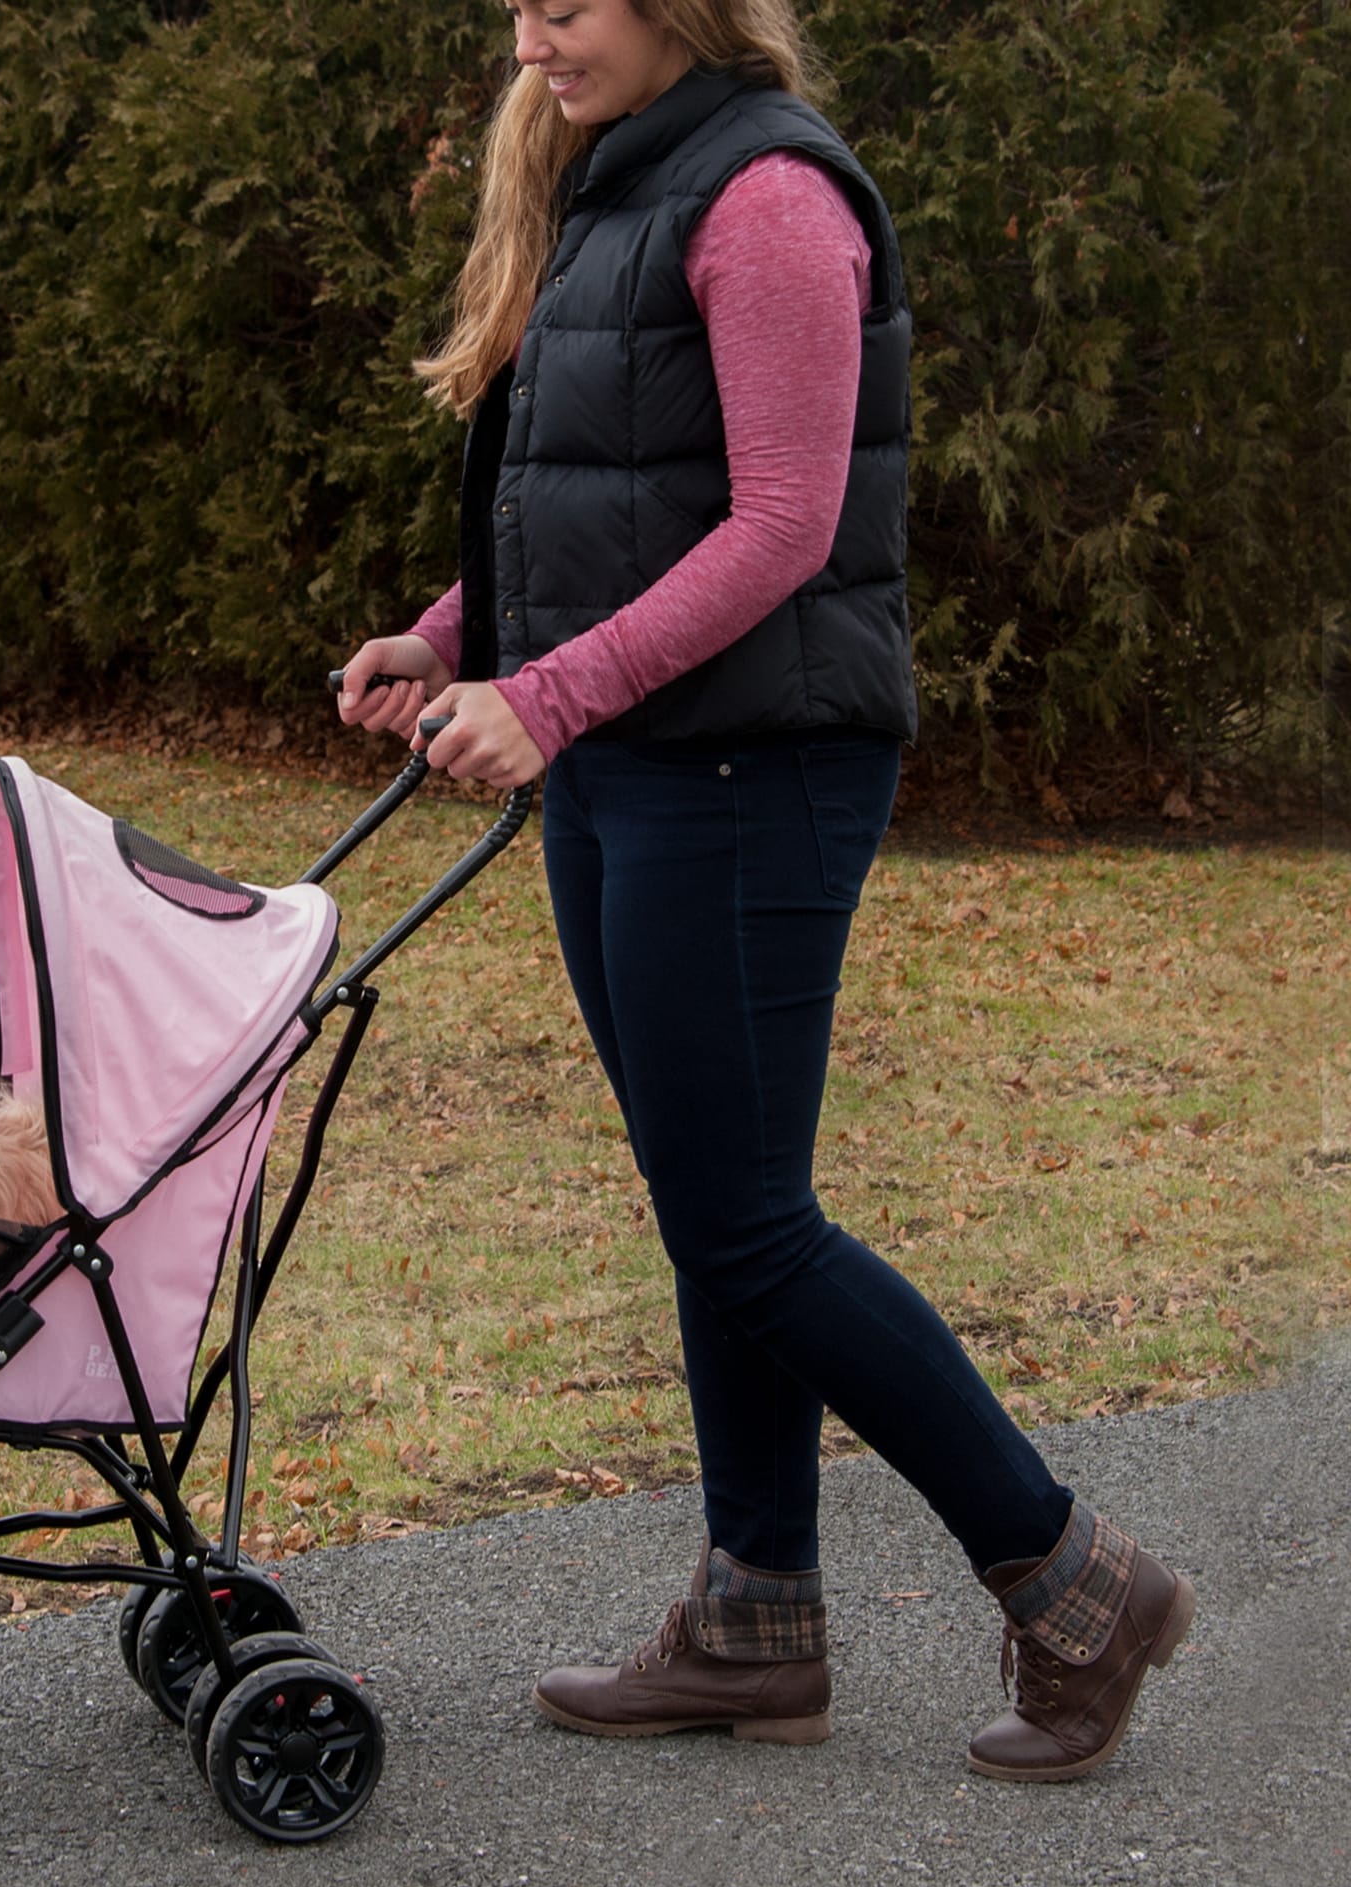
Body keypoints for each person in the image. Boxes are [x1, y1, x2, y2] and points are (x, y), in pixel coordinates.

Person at [336, 0, 1195, 1780]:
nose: (529, 39)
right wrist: (449, 644)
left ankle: (1071, 1579)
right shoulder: (619, 180)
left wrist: (547, 695)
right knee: (710, 1195)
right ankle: (754, 1615)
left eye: (565, 5)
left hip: (753, 770)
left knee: (744, 1223)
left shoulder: (771, 196)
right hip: (637, 766)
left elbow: (784, 522)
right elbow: (603, 502)